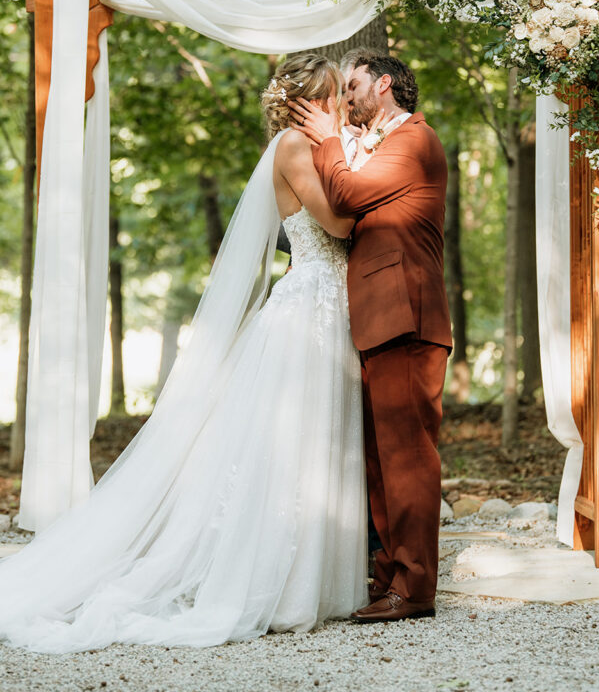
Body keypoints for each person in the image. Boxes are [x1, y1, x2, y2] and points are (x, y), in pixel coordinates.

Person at [0, 53, 368, 652]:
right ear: (310, 99)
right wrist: (342, 150)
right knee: (294, 446)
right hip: (310, 310)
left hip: (329, 306)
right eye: (334, 94)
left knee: (319, 445)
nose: (343, 105)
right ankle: (276, 586)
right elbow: (340, 224)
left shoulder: (310, 145)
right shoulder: (296, 149)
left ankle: (313, 582)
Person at [290, 52, 451, 623]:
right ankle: (389, 579)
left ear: (385, 85)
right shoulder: (377, 143)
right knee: (381, 460)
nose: (346, 97)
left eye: (354, 85)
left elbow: (349, 198)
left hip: (406, 316)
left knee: (407, 456)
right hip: (377, 319)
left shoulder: (415, 141)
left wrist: (331, 139)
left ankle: (415, 589)